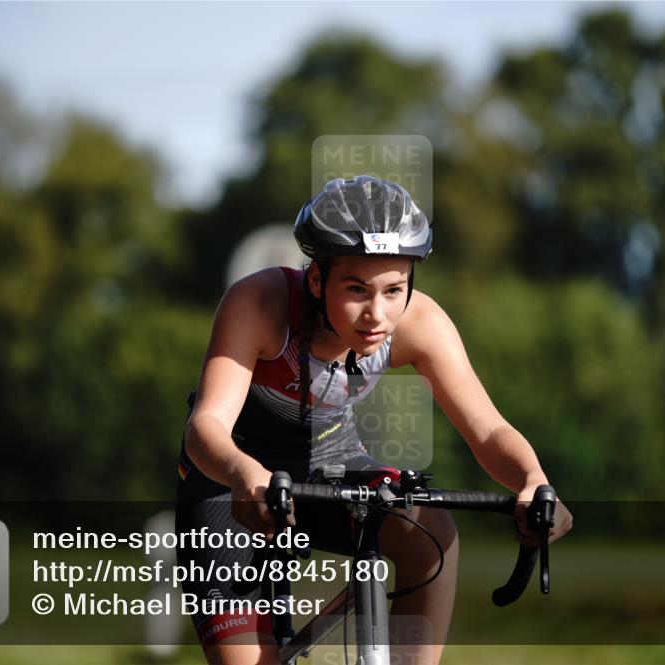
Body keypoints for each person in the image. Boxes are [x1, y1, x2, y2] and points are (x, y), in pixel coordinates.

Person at [175, 175, 573, 665]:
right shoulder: (259, 303)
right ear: (316, 280)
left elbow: (488, 430)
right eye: (357, 289)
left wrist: (533, 479)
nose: (376, 314)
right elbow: (205, 427)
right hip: (230, 478)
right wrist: (242, 472)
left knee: (430, 531)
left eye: (393, 290)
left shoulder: (419, 322)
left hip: (329, 458)